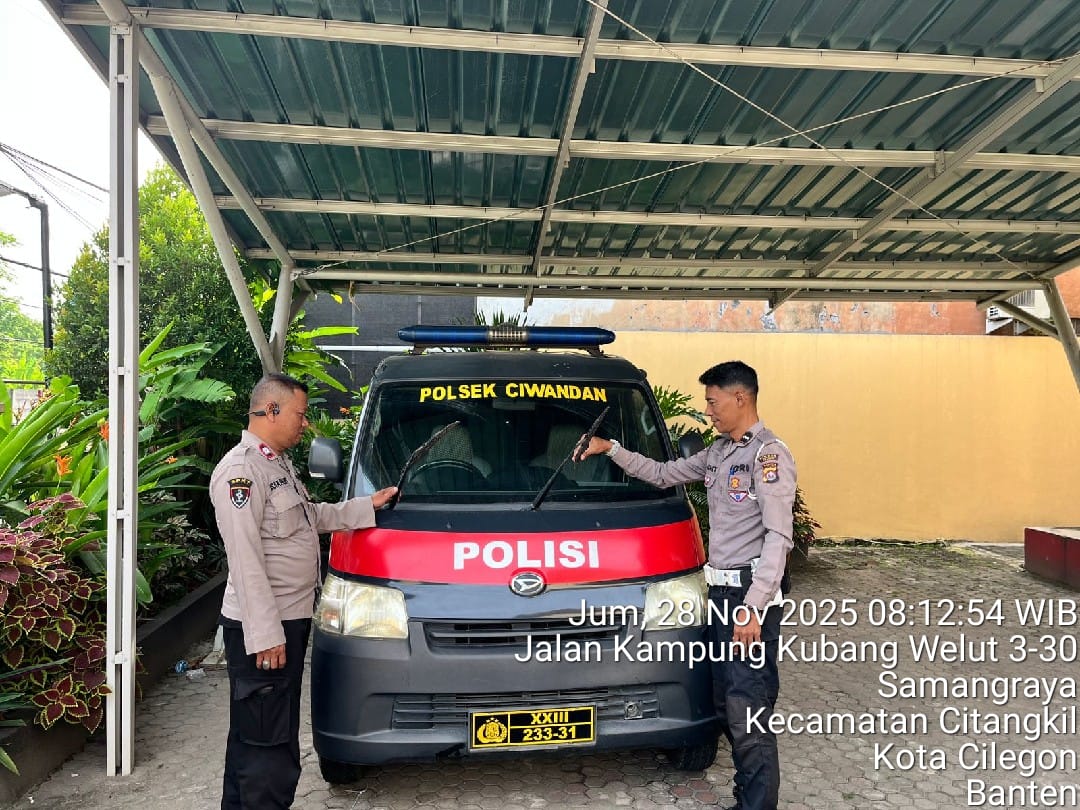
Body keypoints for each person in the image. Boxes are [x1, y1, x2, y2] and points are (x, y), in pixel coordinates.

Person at [576, 361, 796, 810]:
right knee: (725, 702)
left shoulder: (768, 456)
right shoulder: (718, 453)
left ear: (740, 398)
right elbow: (662, 474)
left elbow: (779, 537)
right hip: (721, 596)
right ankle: (746, 796)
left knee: (747, 707)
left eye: (713, 402)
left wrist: (754, 606)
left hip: (748, 599)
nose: (708, 411)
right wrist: (610, 448)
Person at [210, 373, 396, 809]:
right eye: (300, 414)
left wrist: (365, 506)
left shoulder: (273, 464)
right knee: (269, 745)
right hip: (266, 630)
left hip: (284, 622)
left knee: (255, 735)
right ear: (271, 411)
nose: (305, 423)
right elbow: (245, 560)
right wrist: (265, 635)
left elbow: (309, 516)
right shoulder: (241, 472)